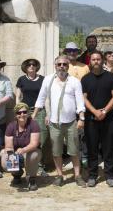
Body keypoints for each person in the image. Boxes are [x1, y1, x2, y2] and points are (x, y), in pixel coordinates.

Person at [33, 54, 87, 188]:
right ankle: (60, 175)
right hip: (54, 123)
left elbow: (80, 101)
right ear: (55, 66)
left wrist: (81, 118)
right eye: (59, 64)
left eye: (64, 64)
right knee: (56, 152)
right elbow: (41, 98)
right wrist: (33, 116)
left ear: (68, 66)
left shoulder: (74, 81)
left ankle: (77, 175)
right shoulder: (48, 80)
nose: (62, 66)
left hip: (71, 122)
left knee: (74, 151)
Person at [81, 51, 113, 187]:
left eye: (98, 59)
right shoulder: (85, 79)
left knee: (109, 148)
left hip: (108, 118)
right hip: (91, 118)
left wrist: (104, 111)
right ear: (90, 61)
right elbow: (83, 98)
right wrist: (95, 112)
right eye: (93, 59)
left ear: (102, 61)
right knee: (92, 148)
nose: (96, 61)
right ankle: (92, 176)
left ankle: (109, 175)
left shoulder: (111, 77)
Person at [15, 58, 48, 177]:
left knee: (42, 138)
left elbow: (46, 97)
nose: (31, 66)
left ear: (36, 67)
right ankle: (24, 163)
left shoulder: (43, 79)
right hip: (24, 111)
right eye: (29, 65)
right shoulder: (21, 79)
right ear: (25, 67)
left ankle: (40, 166)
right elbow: (18, 97)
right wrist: (18, 111)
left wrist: (47, 113)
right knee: (25, 137)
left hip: (40, 111)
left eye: (34, 65)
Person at [1, 102, 42, 191]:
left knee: (33, 155)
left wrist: (23, 150)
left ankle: (31, 179)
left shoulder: (34, 124)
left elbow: (34, 144)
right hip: (16, 152)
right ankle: (17, 174)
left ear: (28, 113)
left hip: (30, 151)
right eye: (19, 113)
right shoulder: (11, 126)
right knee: (4, 159)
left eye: (24, 112)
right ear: (16, 115)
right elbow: (8, 146)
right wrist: (13, 154)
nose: (22, 114)